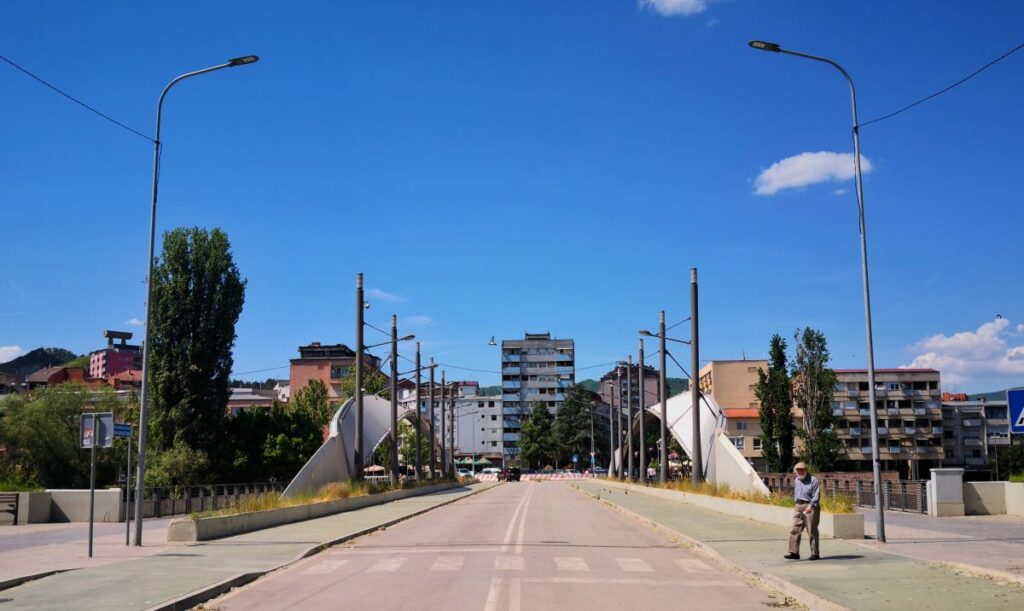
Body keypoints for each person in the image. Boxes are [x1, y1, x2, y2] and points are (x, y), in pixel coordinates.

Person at [785, 462, 820, 561]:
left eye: (802, 469)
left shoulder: (813, 480)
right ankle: (794, 552)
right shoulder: (797, 480)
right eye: (798, 470)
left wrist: (811, 506)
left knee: (812, 530)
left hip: (809, 506)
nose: (800, 471)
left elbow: (816, 495)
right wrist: (796, 505)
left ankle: (815, 553)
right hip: (798, 506)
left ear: (806, 470)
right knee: (794, 529)